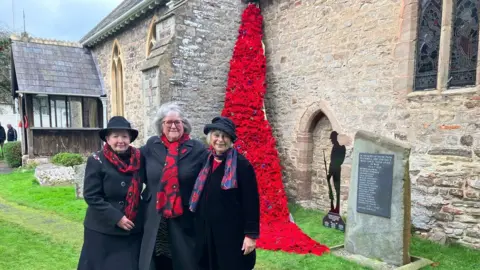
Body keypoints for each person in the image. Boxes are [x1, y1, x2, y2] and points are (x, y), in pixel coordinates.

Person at [139, 102, 208, 270]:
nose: (173, 126)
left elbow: (209, 179)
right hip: (154, 217)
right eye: (168, 122)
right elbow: (134, 168)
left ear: (184, 124)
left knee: (184, 261)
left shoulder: (197, 149)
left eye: (177, 122)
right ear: (161, 125)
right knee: (156, 259)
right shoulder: (151, 146)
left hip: (184, 218)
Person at [189, 116, 260, 270]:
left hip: (231, 235)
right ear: (210, 138)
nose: (220, 140)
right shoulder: (205, 160)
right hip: (206, 231)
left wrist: (250, 236)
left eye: (225, 136)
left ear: (231, 139)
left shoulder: (242, 165)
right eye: (216, 135)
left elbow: (251, 203)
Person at [77, 116, 146, 270]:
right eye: (115, 136)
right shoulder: (96, 160)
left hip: (131, 229)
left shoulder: (139, 159)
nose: (120, 140)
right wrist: (117, 217)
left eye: (124, 136)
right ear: (107, 139)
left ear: (130, 139)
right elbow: (91, 196)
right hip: (102, 230)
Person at [327, 131, 346, 214]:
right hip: (332, 170)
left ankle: (337, 208)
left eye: (332, 139)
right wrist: (329, 172)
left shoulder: (341, 147)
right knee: (331, 189)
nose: (331, 141)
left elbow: (338, 161)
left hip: (336, 170)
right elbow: (332, 161)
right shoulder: (334, 146)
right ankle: (332, 207)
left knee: (337, 189)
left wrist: (331, 172)